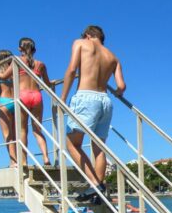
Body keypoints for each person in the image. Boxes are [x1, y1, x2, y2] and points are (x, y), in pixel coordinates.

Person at [60, 25, 126, 201]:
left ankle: (95, 184)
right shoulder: (113, 57)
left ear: (88, 35)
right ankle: (98, 194)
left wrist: (63, 98)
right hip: (105, 101)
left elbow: (72, 70)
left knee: (72, 144)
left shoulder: (81, 43)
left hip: (86, 98)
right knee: (99, 148)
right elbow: (121, 86)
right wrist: (117, 92)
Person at [15, 37, 54, 166]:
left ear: (20, 48)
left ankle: (24, 161)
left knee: (23, 130)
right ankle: (46, 157)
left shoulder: (16, 61)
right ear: (34, 49)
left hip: (23, 95)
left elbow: (5, 76)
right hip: (37, 96)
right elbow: (47, 83)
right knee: (37, 130)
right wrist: (52, 83)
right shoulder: (40, 64)